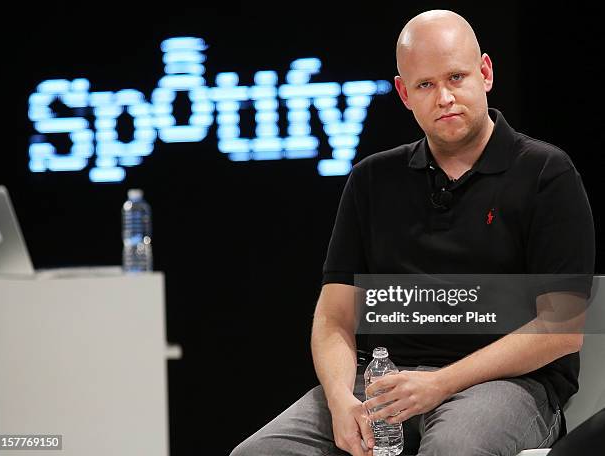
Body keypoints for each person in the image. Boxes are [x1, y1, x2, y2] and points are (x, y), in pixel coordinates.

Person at [230, 9, 594, 456]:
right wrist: (342, 399)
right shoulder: (371, 180)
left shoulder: (544, 172)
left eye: (456, 77)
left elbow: (563, 329)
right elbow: (334, 318)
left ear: (485, 73)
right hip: (383, 383)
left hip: (505, 385)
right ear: (404, 93)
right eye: (425, 84)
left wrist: (439, 383)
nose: (444, 97)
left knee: (453, 450)